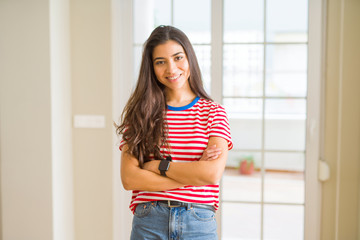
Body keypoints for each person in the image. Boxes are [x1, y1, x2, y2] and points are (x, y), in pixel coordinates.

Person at [116, 25, 232, 240]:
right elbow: (130, 179)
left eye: (178, 57)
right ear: (151, 68)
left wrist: (158, 166)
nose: (171, 69)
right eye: (160, 62)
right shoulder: (140, 113)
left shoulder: (213, 112)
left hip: (198, 221)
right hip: (149, 220)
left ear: (190, 58)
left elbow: (211, 174)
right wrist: (193, 174)